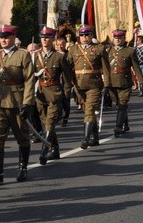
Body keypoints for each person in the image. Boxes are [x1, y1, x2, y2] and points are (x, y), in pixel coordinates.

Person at [0, 25, 35, 183]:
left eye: (6, 36)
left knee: (22, 136)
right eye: (1, 37)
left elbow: (29, 80)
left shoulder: (22, 55)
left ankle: (22, 169)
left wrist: (27, 103)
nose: (3, 39)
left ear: (13, 37)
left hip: (17, 102)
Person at [66, 25, 110, 149]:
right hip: (79, 86)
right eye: (82, 35)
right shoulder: (73, 49)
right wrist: (67, 83)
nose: (84, 37)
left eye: (87, 35)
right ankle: (95, 138)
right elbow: (68, 67)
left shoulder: (99, 49)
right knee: (87, 111)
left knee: (89, 111)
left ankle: (86, 138)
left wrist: (107, 84)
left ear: (91, 35)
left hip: (94, 85)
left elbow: (106, 69)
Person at [33, 27, 72, 164]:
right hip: (41, 94)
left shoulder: (59, 57)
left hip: (55, 93)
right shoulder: (35, 56)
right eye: (42, 37)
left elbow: (67, 77)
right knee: (45, 123)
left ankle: (45, 150)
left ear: (52, 39)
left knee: (50, 123)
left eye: (47, 37)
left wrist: (67, 95)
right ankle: (55, 150)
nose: (44, 39)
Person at [105, 30, 143, 137]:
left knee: (122, 104)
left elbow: (136, 67)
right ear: (113, 39)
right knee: (119, 105)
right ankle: (125, 124)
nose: (117, 40)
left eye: (120, 38)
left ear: (124, 39)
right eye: (116, 38)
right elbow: (103, 67)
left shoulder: (130, 51)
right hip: (111, 83)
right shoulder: (108, 50)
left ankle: (118, 126)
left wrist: (141, 81)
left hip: (125, 82)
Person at [54, 36, 72, 126]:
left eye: (62, 44)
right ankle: (59, 117)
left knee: (66, 100)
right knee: (58, 100)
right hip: (56, 81)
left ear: (65, 45)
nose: (60, 46)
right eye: (58, 45)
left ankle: (65, 117)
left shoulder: (69, 55)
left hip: (66, 80)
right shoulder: (53, 55)